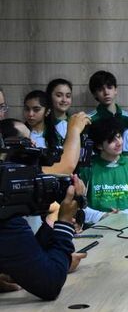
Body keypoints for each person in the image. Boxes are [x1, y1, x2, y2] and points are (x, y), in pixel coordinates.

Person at [0, 119, 86, 300]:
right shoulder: (5, 216)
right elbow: (50, 284)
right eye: (27, 143)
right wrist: (64, 223)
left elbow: (29, 255)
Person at [80, 117, 128, 224]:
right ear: (99, 145)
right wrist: (102, 216)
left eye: (119, 137)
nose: (119, 143)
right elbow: (77, 205)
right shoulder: (87, 168)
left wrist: (125, 214)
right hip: (97, 228)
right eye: (111, 140)